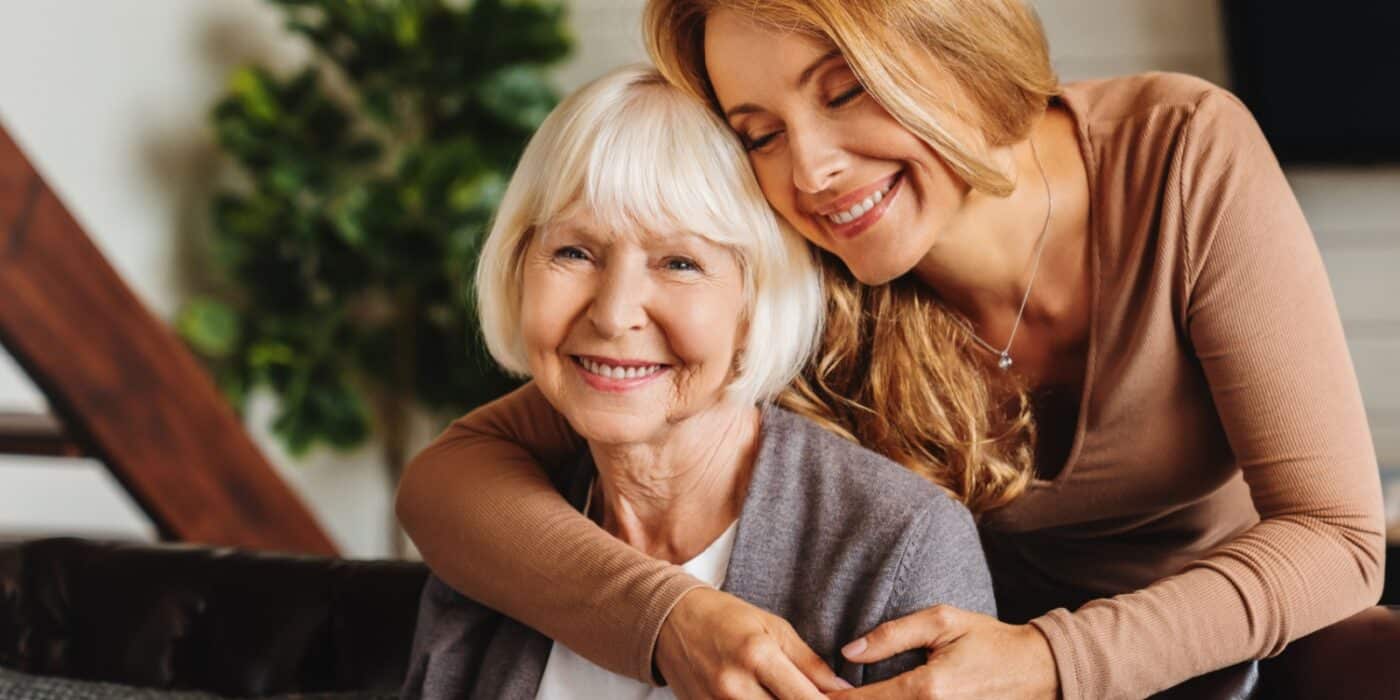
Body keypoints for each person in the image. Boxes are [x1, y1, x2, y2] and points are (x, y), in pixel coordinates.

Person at [396, 1, 1386, 698]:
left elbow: (1336, 539)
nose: (812, 170)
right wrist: (666, 621)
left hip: (1226, 643)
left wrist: (1046, 666)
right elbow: (451, 482)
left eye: (847, 90)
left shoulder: (1177, 153)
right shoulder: (803, 264)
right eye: (758, 132)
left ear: (947, 40)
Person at [400, 64, 996, 699]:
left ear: (756, 300)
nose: (613, 313)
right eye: (574, 252)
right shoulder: (498, 542)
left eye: (680, 262)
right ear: (518, 267)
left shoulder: (899, 542)